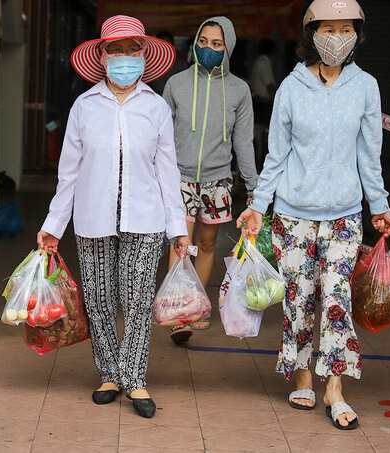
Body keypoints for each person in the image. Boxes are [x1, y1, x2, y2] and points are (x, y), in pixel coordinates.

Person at [237, 0, 390, 430]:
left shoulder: (365, 86)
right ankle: (303, 374)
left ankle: (335, 388)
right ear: (311, 33)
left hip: (344, 215)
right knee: (299, 297)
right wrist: (258, 205)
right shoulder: (291, 88)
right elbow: (276, 154)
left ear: (357, 34)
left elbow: (370, 154)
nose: (337, 37)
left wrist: (379, 205)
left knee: (337, 299)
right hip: (292, 215)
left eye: (346, 28)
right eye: (328, 28)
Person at [37, 15, 190, 419]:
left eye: (131, 49)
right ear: (103, 56)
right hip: (93, 219)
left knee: (137, 300)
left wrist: (178, 227)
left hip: (146, 218)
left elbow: (167, 171)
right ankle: (109, 373)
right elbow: (68, 172)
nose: (124, 57)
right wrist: (53, 226)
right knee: (100, 300)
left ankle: (135, 378)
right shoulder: (84, 106)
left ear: (143, 55)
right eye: (115, 50)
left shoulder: (156, 108)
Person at [162, 16, 258, 344]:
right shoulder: (176, 84)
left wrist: (253, 187)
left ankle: (195, 305)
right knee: (181, 244)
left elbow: (244, 142)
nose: (209, 48)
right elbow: (160, 136)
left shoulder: (239, 91)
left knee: (205, 244)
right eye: (203, 41)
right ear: (195, 43)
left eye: (217, 44)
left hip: (218, 180)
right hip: (180, 176)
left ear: (227, 47)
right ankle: (179, 312)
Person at [148, 31, 189, 95]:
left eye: (168, 44)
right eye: (162, 44)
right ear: (157, 46)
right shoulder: (149, 64)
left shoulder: (181, 64)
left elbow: (185, 86)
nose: (165, 47)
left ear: (173, 45)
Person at [250, 38, 277, 125]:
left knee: (258, 126)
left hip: (257, 100)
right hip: (263, 101)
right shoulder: (264, 63)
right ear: (271, 51)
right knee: (263, 126)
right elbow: (269, 85)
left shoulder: (258, 62)